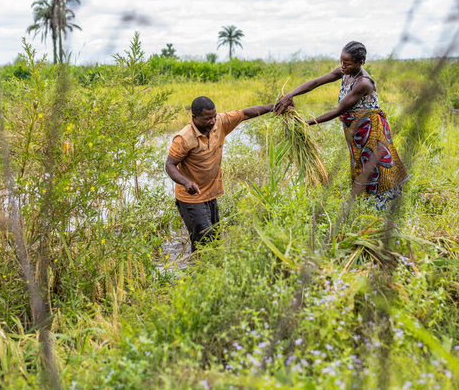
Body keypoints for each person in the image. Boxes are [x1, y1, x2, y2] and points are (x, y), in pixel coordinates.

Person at [274, 41, 408, 209]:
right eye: (341, 61)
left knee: (375, 164)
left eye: (348, 63)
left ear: (360, 63)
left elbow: (339, 110)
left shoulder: (363, 83)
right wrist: (290, 94)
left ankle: (385, 205)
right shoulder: (344, 72)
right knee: (360, 163)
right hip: (355, 129)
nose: (342, 66)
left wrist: (306, 123)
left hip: (370, 128)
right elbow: (315, 82)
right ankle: (366, 202)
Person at [166, 96, 273, 252]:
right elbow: (170, 165)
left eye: (214, 116)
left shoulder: (220, 122)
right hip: (192, 197)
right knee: (204, 240)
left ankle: (210, 271)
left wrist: (275, 106)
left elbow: (246, 113)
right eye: (207, 118)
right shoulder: (184, 138)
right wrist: (186, 182)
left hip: (211, 194)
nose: (212, 121)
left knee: (215, 239)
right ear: (194, 117)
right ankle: (197, 272)